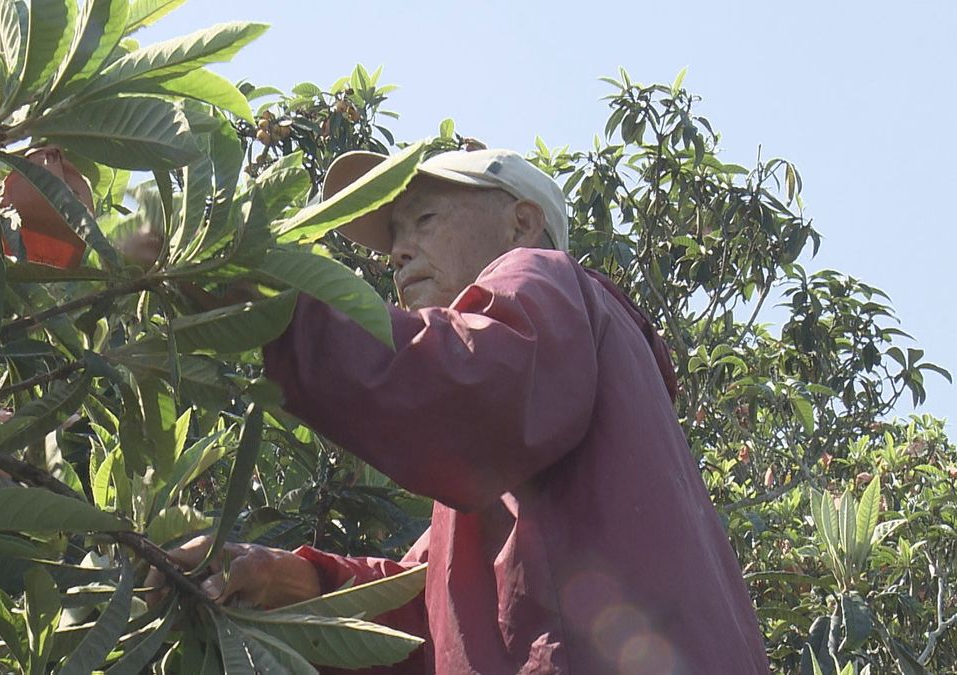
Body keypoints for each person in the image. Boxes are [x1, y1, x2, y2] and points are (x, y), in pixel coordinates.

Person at [152, 148, 771, 674]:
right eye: (393, 240)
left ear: (521, 224)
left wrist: (257, 302)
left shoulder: (543, 279)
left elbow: (467, 383)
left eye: (423, 219)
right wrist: (289, 580)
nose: (399, 252)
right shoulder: (532, 435)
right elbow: (433, 604)